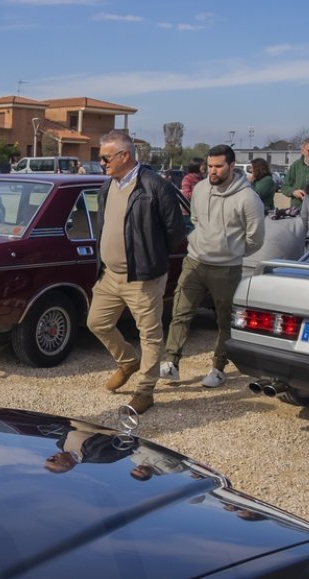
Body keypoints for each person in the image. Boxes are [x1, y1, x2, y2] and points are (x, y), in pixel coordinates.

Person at [86, 130, 185, 415]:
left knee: (150, 335)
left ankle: (145, 391)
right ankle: (128, 361)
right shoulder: (108, 187)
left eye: (105, 157)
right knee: (96, 322)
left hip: (143, 277)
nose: (101, 162)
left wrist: (149, 258)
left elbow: (175, 231)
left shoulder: (155, 186)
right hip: (109, 275)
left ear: (124, 155)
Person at [160, 145, 265, 389]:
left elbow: (256, 238)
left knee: (224, 320)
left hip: (226, 269)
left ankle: (218, 368)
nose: (213, 171)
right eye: (209, 166)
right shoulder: (200, 189)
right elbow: (196, 220)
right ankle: (171, 364)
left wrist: (232, 251)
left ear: (231, 166)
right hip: (195, 260)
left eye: (218, 166)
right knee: (180, 312)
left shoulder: (248, 199)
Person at [281, 138, 309, 209]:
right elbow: (285, 186)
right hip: (296, 208)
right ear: (302, 151)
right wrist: (293, 192)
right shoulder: (296, 165)